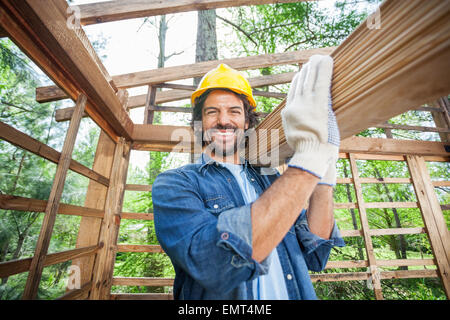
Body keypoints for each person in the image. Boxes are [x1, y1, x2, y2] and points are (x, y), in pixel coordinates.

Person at [152, 55, 345, 300]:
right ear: (200, 122)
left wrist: (323, 181)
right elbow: (212, 263)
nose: (223, 120)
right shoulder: (175, 184)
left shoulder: (273, 180)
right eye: (212, 112)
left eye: (234, 111)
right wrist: (308, 160)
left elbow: (316, 256)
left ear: (246, 122)